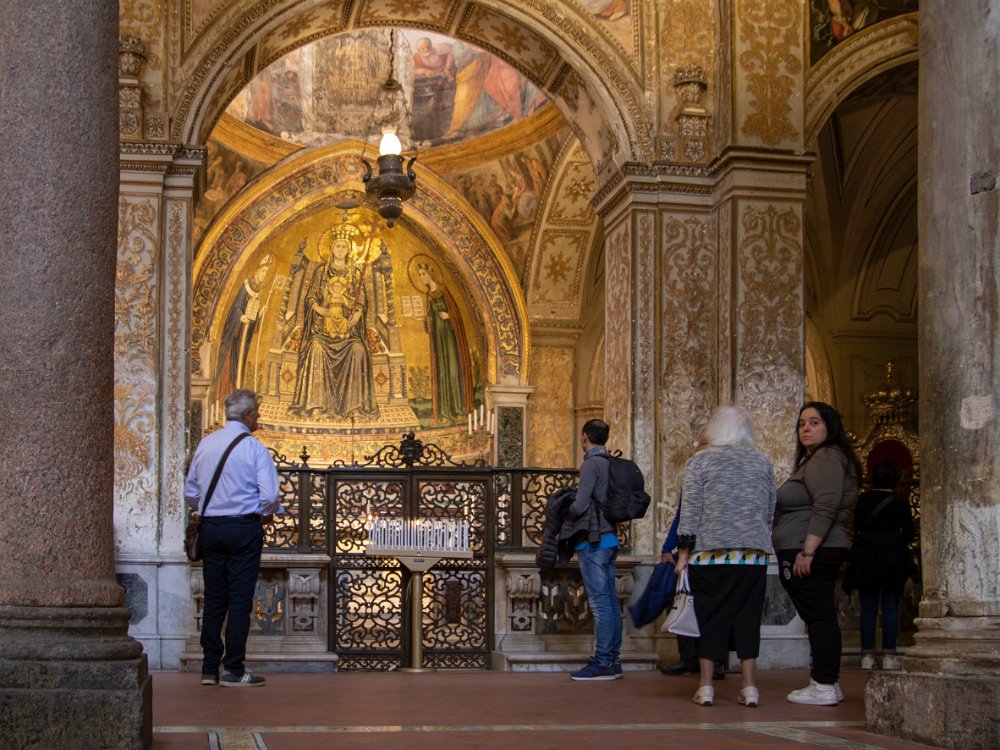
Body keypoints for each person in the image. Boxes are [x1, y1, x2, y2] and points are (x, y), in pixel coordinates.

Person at [674, 406, 777, 707]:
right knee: (748, 619)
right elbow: (770, 508)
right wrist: (758, 537)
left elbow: (690, 510)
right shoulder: (762, 462)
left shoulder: (700, 461)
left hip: (710, 554)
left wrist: (683, 553)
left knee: (710, 618)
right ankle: (749, 687)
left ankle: (706, 686)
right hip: (752, 555)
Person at [185, 389, 281, 687]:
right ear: (248, 415)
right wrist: (264, 513)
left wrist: (212, 508)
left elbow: (191, 492)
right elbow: (270, 496)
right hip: (243, 528)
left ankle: (209, 670)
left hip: (211, 528)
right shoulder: (254, 448)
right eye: (257, 412)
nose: (259, 416)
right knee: (239, 599)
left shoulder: (206, 444)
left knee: (214, 599)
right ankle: (235, 670)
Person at [773, 401, 861, 705]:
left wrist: (808, 551)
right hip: (810, 546)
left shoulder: (827, 458)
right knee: (819, 615)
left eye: (814, 422)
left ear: (830, 427)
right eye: (801, 424)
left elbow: (826, 506)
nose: (806, 429)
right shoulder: (819, 459)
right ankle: (826, 682)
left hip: (813, 549)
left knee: (820, 616)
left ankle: (824, 684)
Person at [289, 228, 378, 419]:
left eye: (344, 247)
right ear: (331, 248)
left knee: (358, 350)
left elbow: (362, 300)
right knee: (315, 348)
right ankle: (316, 405)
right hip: (322, 330)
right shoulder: (321, 272)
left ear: (349, 250)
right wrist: (318, 308)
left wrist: (357, 314)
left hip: (348, 332)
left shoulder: (355, 273)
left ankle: (354, 407)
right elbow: (311, 296)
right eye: (337, 246)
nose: (340, 250)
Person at [658, 431, 725, 681]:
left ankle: (715, 661)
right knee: (681, 601)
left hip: (716, 550)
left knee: (714, 607)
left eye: (702, 443)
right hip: (690, 550)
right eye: (696, 442)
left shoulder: (724, 473)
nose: (696, 447)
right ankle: (688, 657)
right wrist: (668, 547)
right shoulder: (694, 472)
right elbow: (683, 514)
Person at [565, 419, 622, 680]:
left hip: (593, 540)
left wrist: (565, 509)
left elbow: (580, 505)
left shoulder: (591, 464)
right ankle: (613, 660)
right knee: (610, 603)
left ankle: (603, 661)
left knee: (600, 605)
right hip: (610, 539)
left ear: (584, 436)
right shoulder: (611, 462)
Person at [845, 459, 915, 671]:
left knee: (868, 607)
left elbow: (856, 527)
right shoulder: (900, 501)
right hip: (892, 558)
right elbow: (909, 533)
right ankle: (889, 655)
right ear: (896, 478)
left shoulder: (862, 500)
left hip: (866, 557)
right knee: (891, 606)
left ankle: (867, 655)